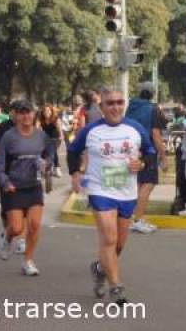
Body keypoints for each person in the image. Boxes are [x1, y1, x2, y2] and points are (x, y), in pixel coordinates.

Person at [67, 87, 155, 304]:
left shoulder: (135, 129)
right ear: (102, 107)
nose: (115, 107)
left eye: (119, 102)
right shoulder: (90, 130)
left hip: (126, 191)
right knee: (109, 238)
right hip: (100, 190)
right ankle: (116, 286)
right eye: (110, 103)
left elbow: (151, 153)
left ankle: (99, 268)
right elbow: (72, 151)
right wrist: (75, 173)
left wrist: (142, 163)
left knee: (119, 245)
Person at [0, 100, 51, 276]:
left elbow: (49, 156)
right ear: (16, 116)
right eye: (22, 113)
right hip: (13, 186)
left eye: (29, 112)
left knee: (34, 225)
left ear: (34, 114)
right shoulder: (9, 136)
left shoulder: (41, 136)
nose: (26, 116)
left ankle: (28, 261)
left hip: (33, 186)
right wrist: (4, 182)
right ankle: (7, 237)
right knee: (17, 228)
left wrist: (47, 165)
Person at [125, 82, 167, 234]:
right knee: (147, 184)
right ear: (152, 94)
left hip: (132, 150)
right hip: (147, 150)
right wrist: (163, 156)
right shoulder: (153, 109)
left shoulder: (131, 107)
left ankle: (129, 218)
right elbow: (156, 134)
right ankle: (138, 220)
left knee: (136, 185)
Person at [0, 101, 26, 256]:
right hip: (5, 173)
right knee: (9, 209)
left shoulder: (29, 127)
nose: (21, 115)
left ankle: (21, 240)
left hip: (24, 173)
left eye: (24, 112)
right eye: (18, 112)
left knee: (24, 206)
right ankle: (7, 233)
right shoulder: (3, 127)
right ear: (11, 113)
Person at [38, 104, 64, 178]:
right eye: (45, 111)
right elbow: (37, 128)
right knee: (42, 151)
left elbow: (60, 130)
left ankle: (57, 168)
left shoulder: (56, 119)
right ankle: (42, 168)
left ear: (51, 111)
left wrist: (61, 136)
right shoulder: (41, 119)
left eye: (48, 110)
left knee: (53, 151)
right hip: (45, 139)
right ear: (42, 112)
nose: (46, 112)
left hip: (55, 138)